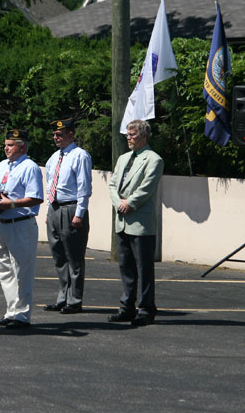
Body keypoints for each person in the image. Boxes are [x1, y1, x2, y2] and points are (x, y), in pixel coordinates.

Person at [107, 119, 164, 327]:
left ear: (144, 136)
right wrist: (119, 204)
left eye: (132, 135)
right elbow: (112, 184)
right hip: (122, 220)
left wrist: (130, 203)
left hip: (140, 223)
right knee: (126, 267)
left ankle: (147, 308)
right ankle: (127, 307)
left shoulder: (153, 159)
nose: (129, 138)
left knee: (144, 268)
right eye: (127, 135)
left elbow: (147, 187)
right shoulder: (123, 158)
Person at [0, 129, 44, 329]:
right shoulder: (2, 165)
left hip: (21, 224)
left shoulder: (30, 167)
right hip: (2, 224)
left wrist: (11, 204)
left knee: (22, 271)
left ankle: (22, 315)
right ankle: (11, 311)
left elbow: (36, 197)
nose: (6, 148)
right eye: (5, 144)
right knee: (5, 271)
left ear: (22, 146)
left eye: (10, 145)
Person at [43, 117, 93, 314]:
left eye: (60, 134)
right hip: (55, 209)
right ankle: (62, 297)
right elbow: (49, 186)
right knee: (59, 256)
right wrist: (49, 210)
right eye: (54, 134)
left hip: (71, 209)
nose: (56, 137)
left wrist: (79, 213)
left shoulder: (80, 155)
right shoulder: (54, 158)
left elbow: (84, 187)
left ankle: (75, 300)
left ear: (71, 135)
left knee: (74, 258)